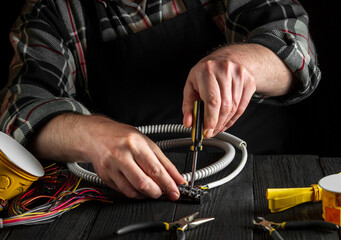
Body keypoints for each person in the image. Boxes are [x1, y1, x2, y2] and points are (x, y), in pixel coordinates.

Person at [0, 0, 320, 201]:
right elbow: (21, 109)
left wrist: (246, 62)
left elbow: (295, 46)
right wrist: (93, 135)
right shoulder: (52, 10)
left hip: (264, 178)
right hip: (133, 194)